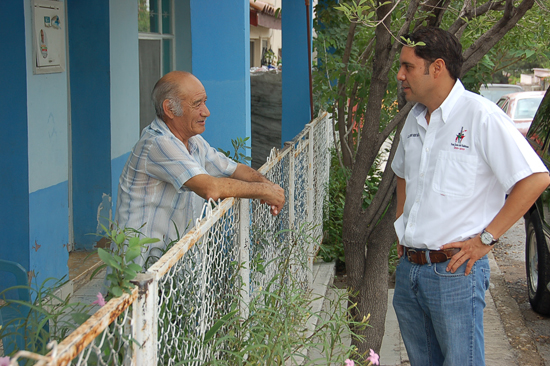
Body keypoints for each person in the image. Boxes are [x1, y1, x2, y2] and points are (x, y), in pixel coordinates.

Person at [391, 27, 550, 366]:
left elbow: (535, 178)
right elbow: (403, 174)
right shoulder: (414, 120)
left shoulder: (480, 116)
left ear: (437, 67)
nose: (400, 75)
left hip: (454, 272)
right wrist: (401, 225)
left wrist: (486, 239)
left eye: (407, 66)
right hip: (410, 273)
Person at [114, 71, 285, 267]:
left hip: (170, 262)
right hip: (138, 269)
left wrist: (271, 187)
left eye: (204, 102)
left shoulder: (193, 141)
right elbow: (210, 188)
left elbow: (234, 169)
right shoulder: (158, 143)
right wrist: (264, 191)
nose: (206, 111)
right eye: (197, 104)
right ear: (170, 109)